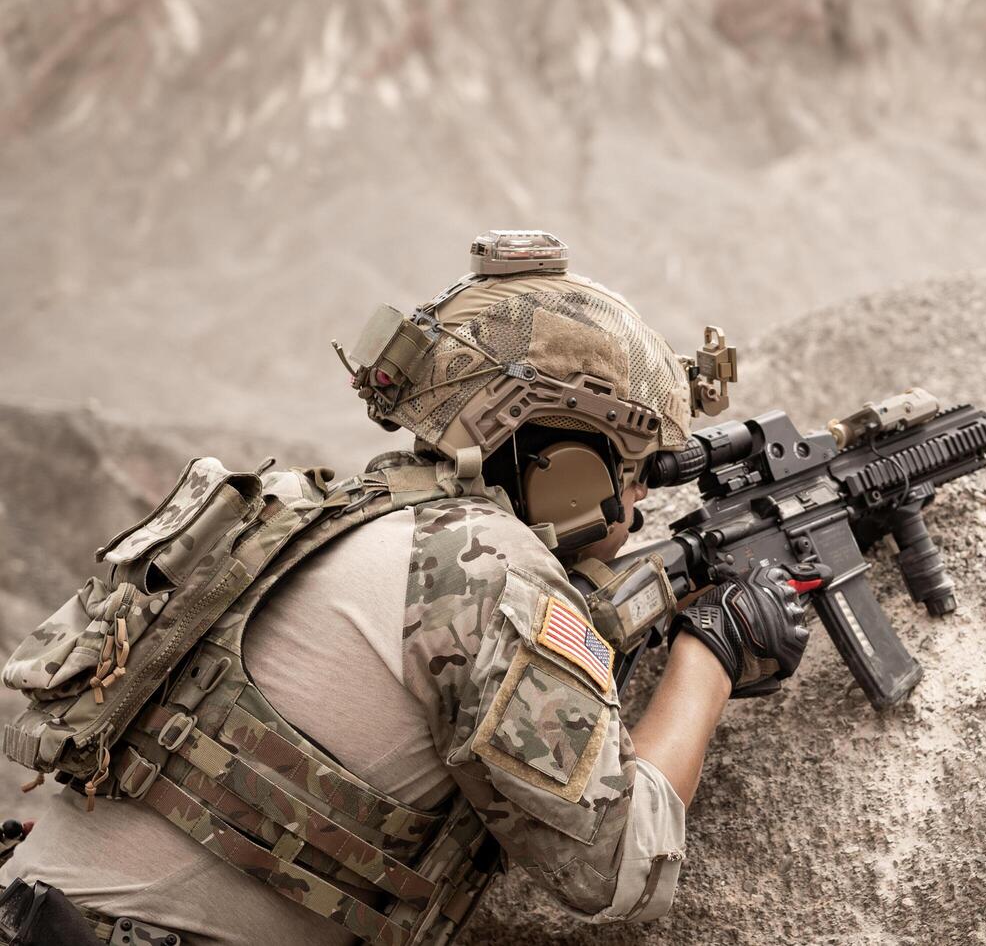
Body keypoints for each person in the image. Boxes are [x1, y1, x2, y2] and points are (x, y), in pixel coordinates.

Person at [0, 230, 810, 945]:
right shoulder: (485, 567)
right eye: (629, 469)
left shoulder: (334, 517)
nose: (636, 505)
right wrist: (714, 653)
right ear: (561, 465)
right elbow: (622, 872)